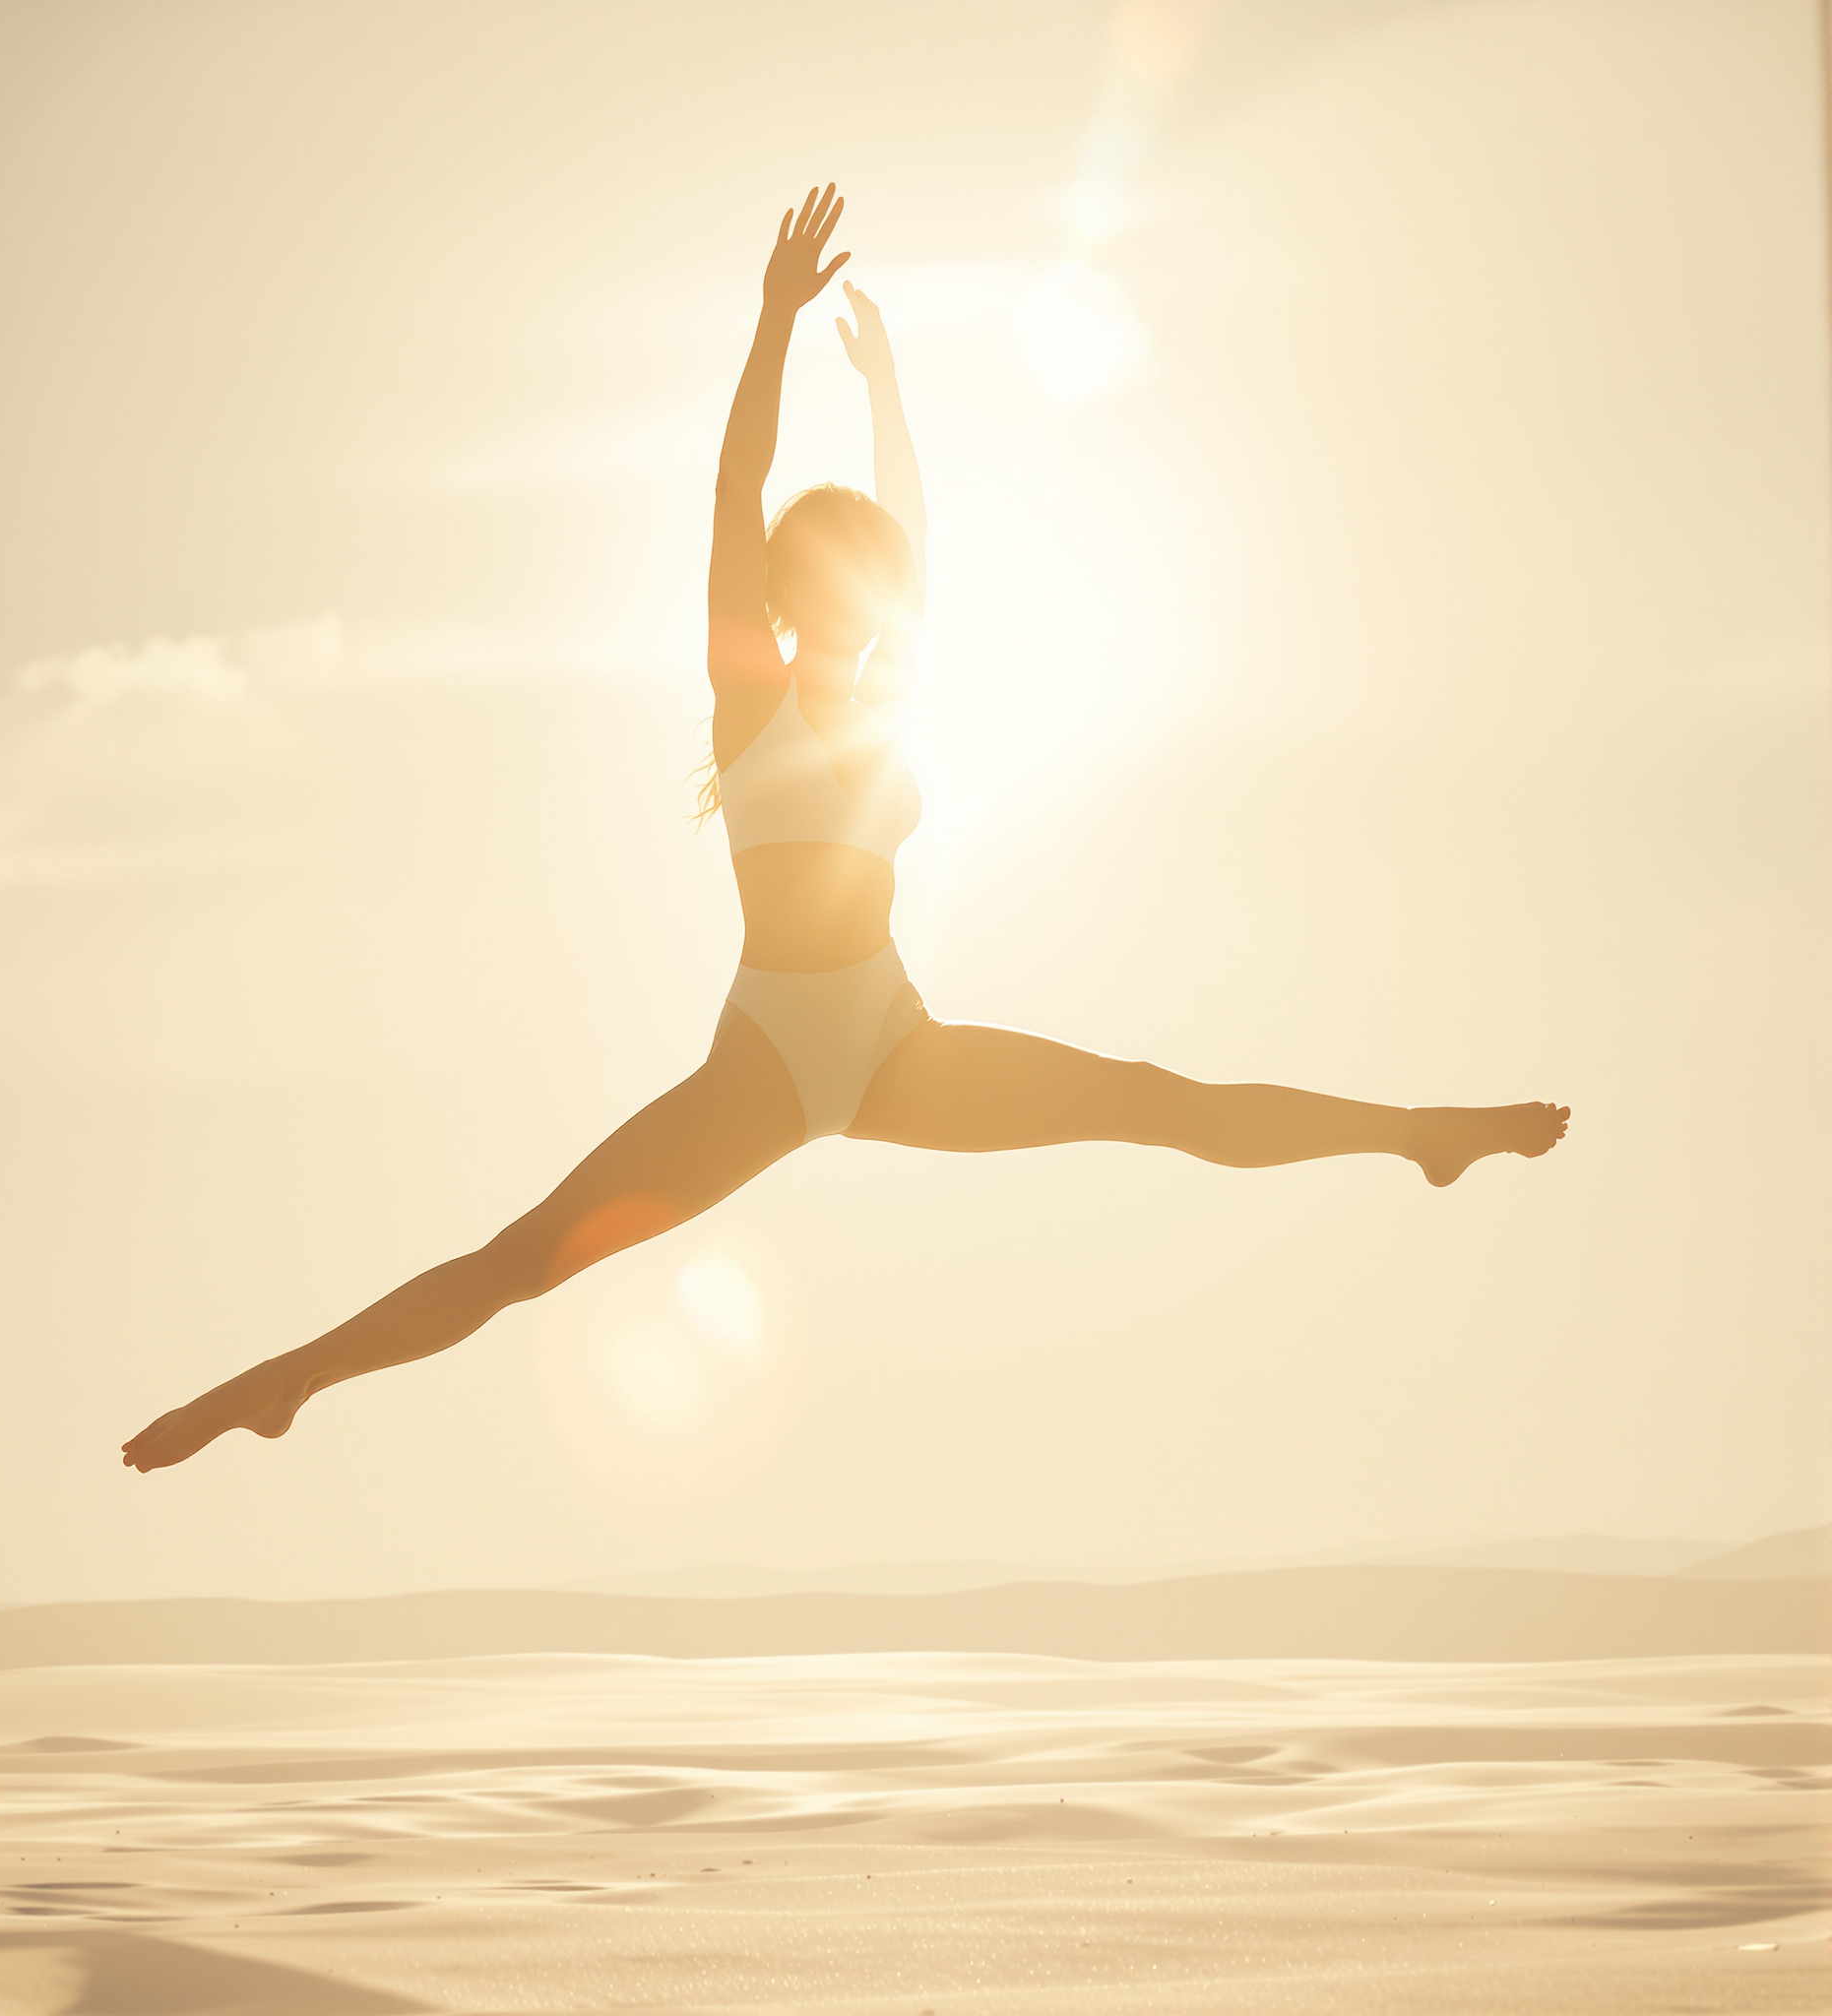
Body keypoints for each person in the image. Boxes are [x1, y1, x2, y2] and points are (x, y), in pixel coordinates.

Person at [123, 186, 1567, 1475]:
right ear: (785, 594)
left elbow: (921, 538)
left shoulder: (892, 700)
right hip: (764, 1062)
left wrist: (886, 387)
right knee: (524, 1265)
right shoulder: (747, 703)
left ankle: (1418, 1136)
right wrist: (769, 324)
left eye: (863, 576)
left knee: (1153, 1100)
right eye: (833, 575)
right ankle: (290, 1380)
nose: (864, 593)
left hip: (891, 1046)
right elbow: (730, 492)